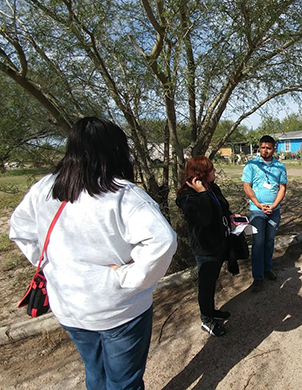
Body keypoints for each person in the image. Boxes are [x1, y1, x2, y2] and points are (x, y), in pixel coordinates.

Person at [9, 117, 177, 390]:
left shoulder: (45, 188)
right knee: (124, 382)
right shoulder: (123, 194)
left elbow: (19, 229)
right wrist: (129, 278)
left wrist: (51, 263)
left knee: (95, 373)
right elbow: (163, 242)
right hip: (119, 309)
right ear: (115, 150)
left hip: (69, 305)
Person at [176, 156, 235, 337]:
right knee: (206, 284)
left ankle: (211, 310)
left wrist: (232, 217)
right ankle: (206, 319)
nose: (215, 172)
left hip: (220, 242)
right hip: (205, 247)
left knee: (213, 280)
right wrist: (201, 193)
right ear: (200, 174)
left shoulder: (212, 187)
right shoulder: (186, 196)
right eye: (211, 170)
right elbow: (204, 218)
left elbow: (222, 207)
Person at [242, 135, 287, 293]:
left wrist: (274, 205)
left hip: (273, 211)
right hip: (257, 211)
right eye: (262, 147)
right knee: (258, 243)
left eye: (268, 148)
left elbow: (282, 187)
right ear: (259, 148)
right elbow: (247, 186)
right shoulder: (251, 165)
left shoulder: (280, 166)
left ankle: (267, 268)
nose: (265, 150)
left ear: (274, 149)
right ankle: (257, 277)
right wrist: (258, 204)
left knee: (269, 241)